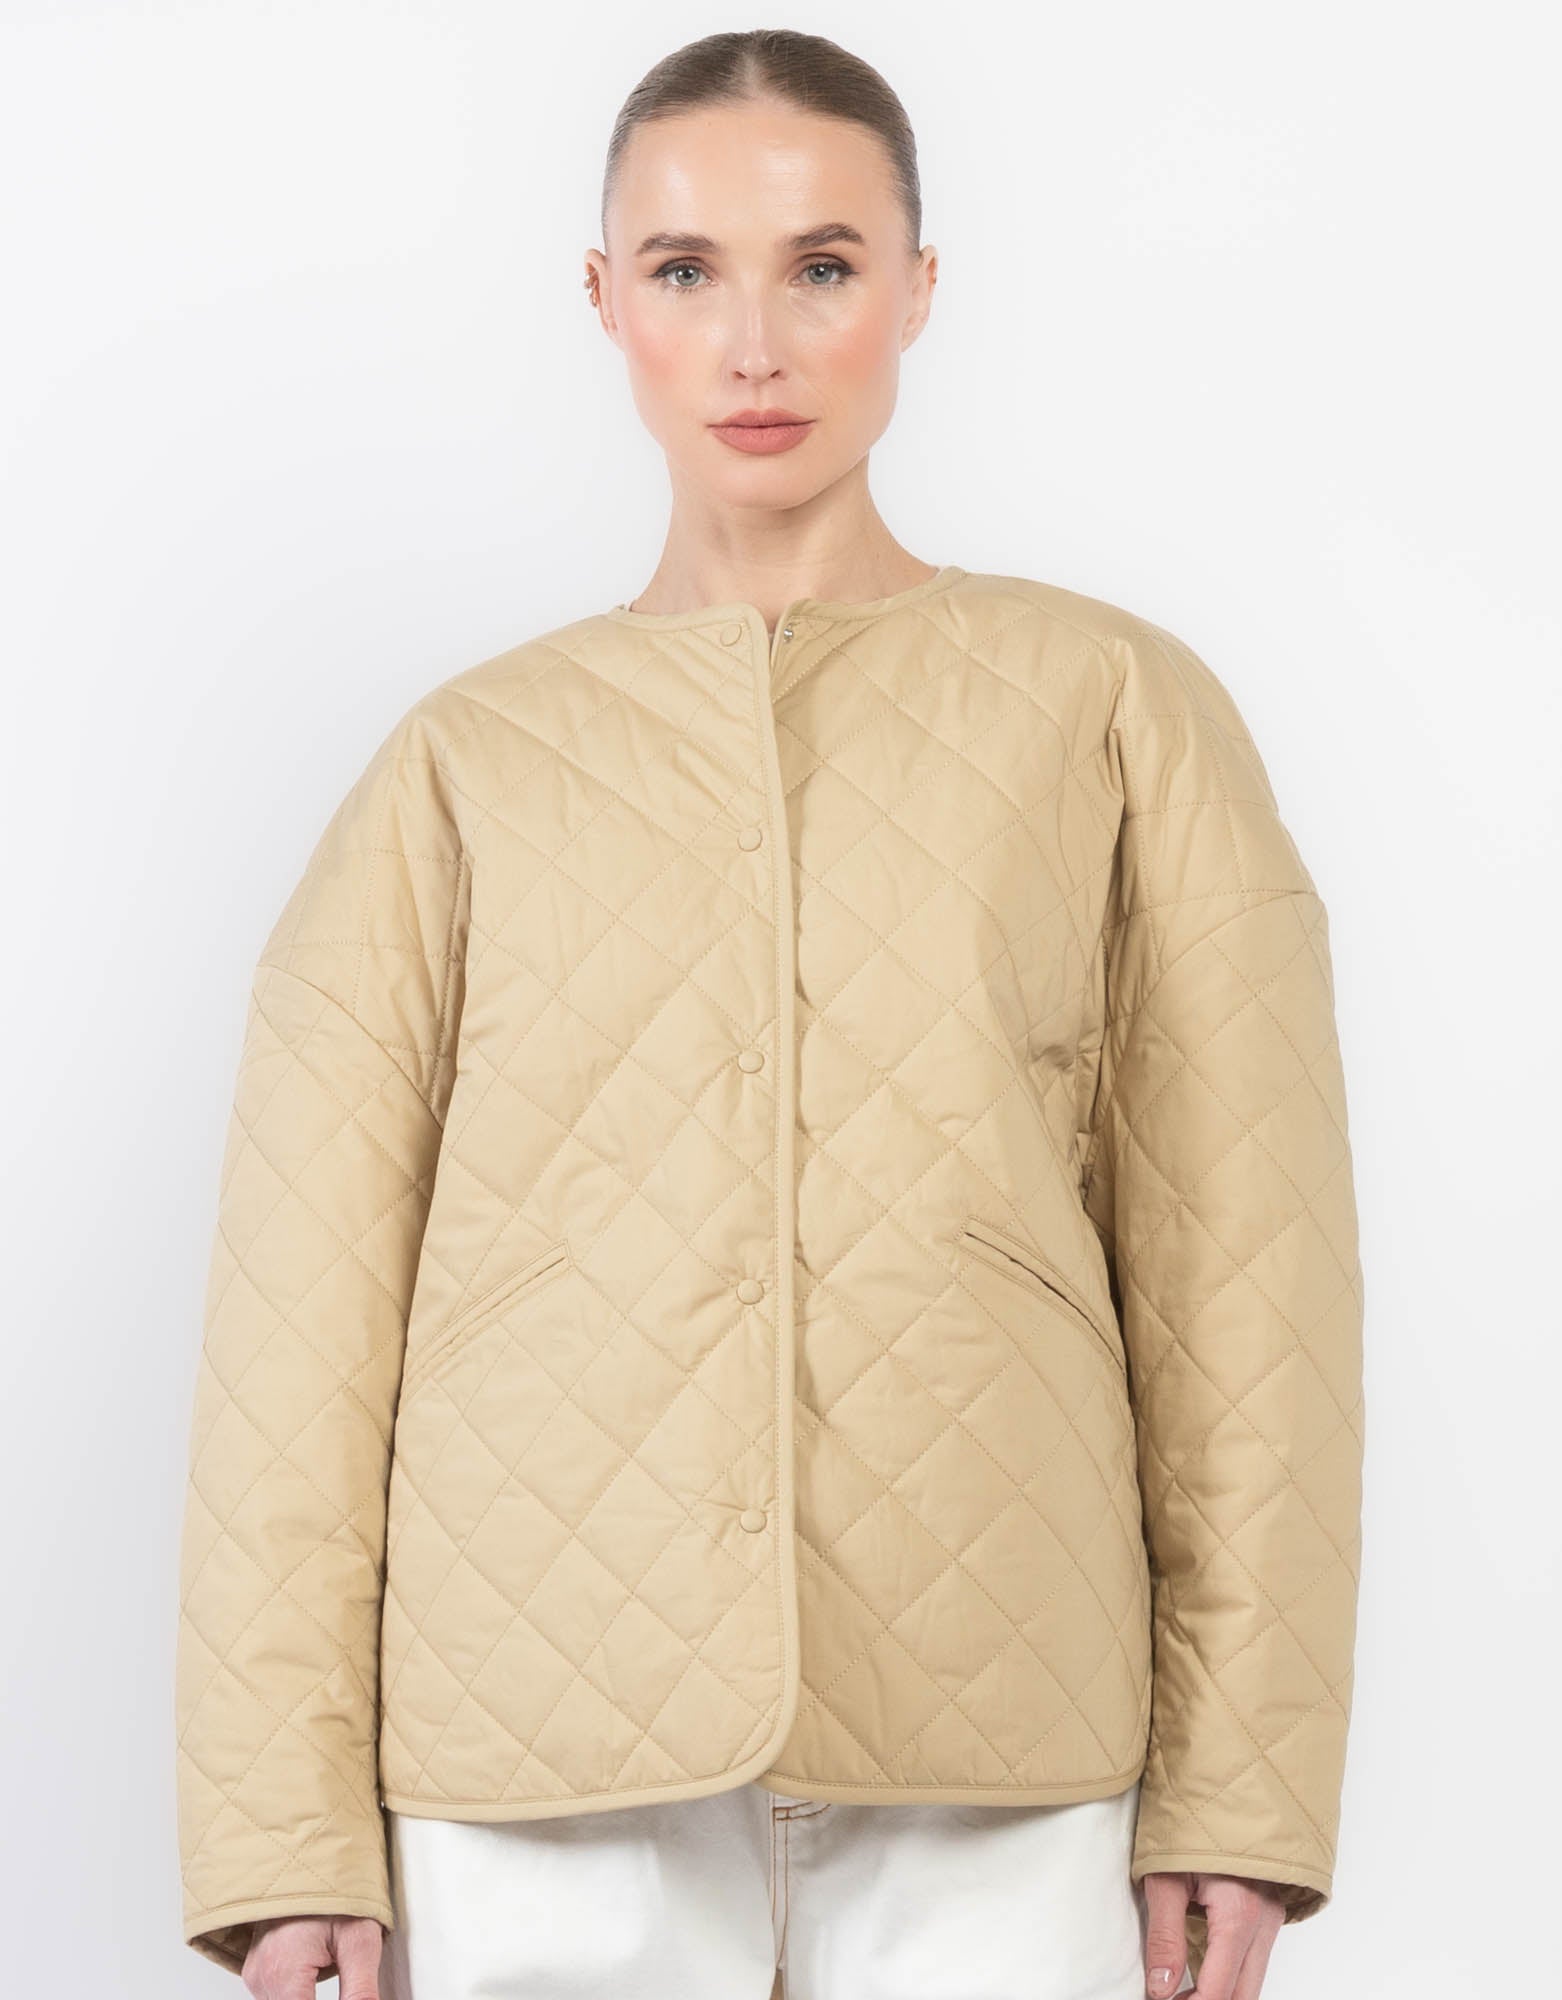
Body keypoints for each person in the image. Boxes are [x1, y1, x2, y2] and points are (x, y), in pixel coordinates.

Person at [174, 28, 1364, 2000]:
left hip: (1003, 1747)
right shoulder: (458, 767)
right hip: (531, 1769)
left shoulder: (1114, 713)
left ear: (918, 286)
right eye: (682, 269)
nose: (752, 344)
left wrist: (1242, 1788)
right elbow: (296, 1340)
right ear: (601, 298)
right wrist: (283, 1830)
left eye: (820, 266)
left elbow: (1253, 1293)